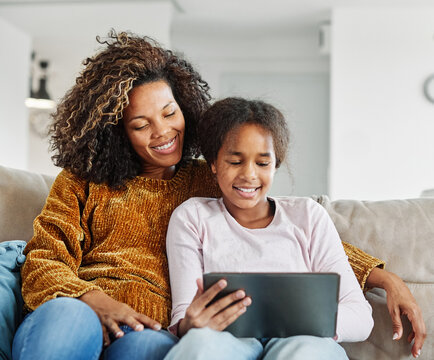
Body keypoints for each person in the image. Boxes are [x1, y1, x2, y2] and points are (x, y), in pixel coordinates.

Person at [11, 31, 425, 359]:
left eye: (169, 112)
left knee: (150, 348)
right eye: (141, 124)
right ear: (117, 131)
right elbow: (45, 259)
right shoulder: (81, 181)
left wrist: (383, 277)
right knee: (69, 321)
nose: (163, 131)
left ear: (185, 107)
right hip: (80, 308)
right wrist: (96, 301)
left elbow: (288, 234)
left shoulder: (210, 180)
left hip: (147, 332)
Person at [164, 97, 374, 359]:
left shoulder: (308, 216)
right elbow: (184, 314)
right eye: (235, 161)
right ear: (214, 164)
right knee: (200, 347)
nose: (249, 175)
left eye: (262, 163)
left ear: (275, 165)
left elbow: (361, 317)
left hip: (300, 339)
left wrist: (306, 320)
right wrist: (189, 325)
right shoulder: (192, 217)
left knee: (307, 353)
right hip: (226, 341)